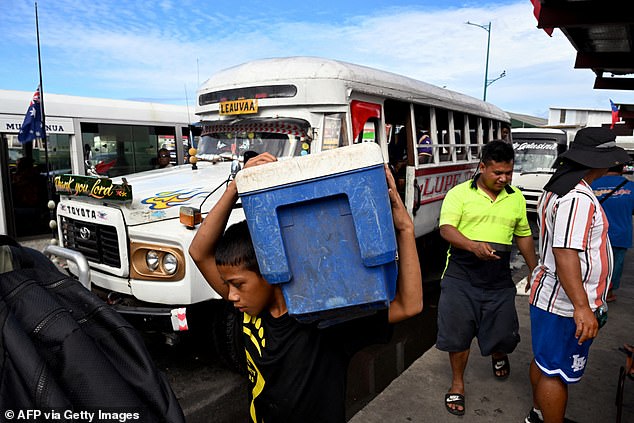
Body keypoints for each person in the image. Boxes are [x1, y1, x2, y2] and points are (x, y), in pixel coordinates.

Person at [188, 152, 423, 423]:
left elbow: (410, 304)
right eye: (228, 285)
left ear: (269, 270)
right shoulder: (250, 309)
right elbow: (199, 252)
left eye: (237, 284)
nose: (230, 295)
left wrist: (404, 230)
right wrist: (236, 186)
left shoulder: (325, 324)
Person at [526, 127, 630, 423]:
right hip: (564, 303)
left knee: (545, 361)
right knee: (556, 372)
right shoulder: (577, 197)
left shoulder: (558, 186)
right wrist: (583, 307)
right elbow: (565, 253)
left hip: (554, 297)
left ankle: (538, 415)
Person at [436, 140, 537, 417]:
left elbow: (523, 235)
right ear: (482, 167)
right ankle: (457, 382)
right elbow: (446, 229)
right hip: (461, 274)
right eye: (497, 173)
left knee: (503, 332)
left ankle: (497, 352)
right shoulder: (459, 194)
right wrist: (472, 246)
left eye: (509, 173)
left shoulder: (515, 196)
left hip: (498, 276)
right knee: (458, 334)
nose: (504, 178)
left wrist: (533, 269)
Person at [591, 163, 634, 302]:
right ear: (622, 169)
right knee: (615, 265)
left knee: (595, 263)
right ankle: (608, 293)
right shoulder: (631, 186)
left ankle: (594, 292)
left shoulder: (591, 185)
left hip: (596, 234)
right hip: (621, 234)